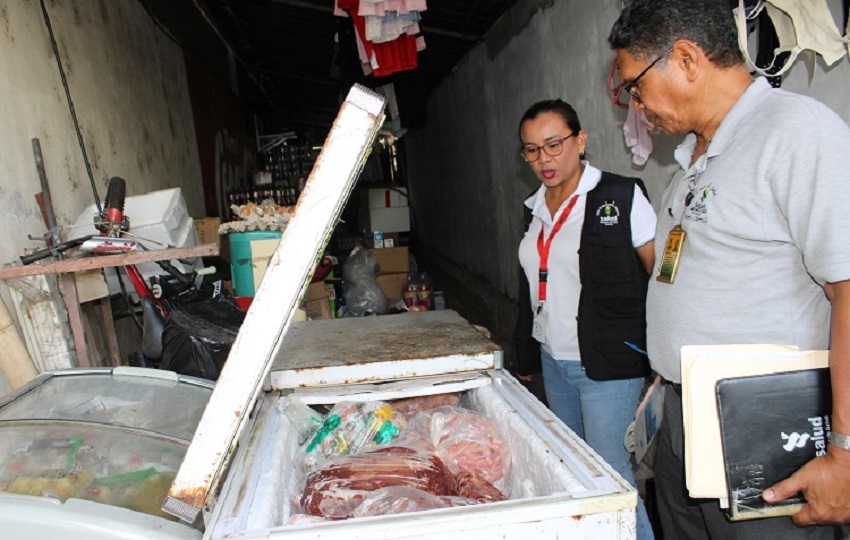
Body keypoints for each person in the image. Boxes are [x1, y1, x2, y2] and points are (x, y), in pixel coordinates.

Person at [608, 0, 850, 538]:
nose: (637, 105)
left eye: (636, 86)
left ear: (688, 59)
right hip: (682, 426)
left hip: (764, 436)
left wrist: (846, 453)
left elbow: (848, 291)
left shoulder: (795, 132)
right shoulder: (693, 156)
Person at [513, 99, 657, 540]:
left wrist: (662, 360)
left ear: (580, 140)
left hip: (607, 367)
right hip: (555, 362)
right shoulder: (534, 207)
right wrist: (526, 353)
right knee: (577, 475)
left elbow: (661, 278)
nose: (544, 159)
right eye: (532, 150)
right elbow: (532, 285)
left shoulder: (620, 195)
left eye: (554, 145)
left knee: (612, 481)